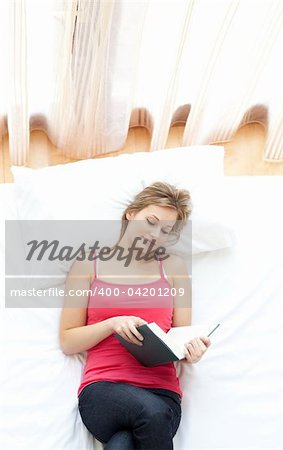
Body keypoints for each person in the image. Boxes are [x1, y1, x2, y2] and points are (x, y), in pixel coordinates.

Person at [59, 181, 211, 450]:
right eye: (150, 221)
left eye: (165, 230)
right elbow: (68, 341)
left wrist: (192, 349)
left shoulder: (174, 268)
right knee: (151, 414)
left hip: (163, 394)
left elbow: (180, 336)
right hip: (103, 391)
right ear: (131, 213)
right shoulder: (87, 264)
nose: (155, 234)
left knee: (123, 445)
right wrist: (112, 324)